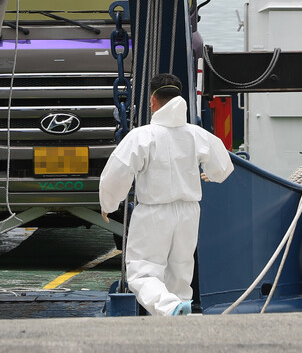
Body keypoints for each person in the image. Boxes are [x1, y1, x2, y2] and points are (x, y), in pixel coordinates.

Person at [99, 73, 234, 316]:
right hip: (189, 212)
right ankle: (179, 317)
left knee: (142, 272)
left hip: (154, 212)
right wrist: (211, 174)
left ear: (152, 100)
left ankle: (170, 307)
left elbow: (117, 171)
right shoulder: (196, 134)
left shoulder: (143, 136)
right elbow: (223, 164)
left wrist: (108, 203)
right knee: (180, 274)